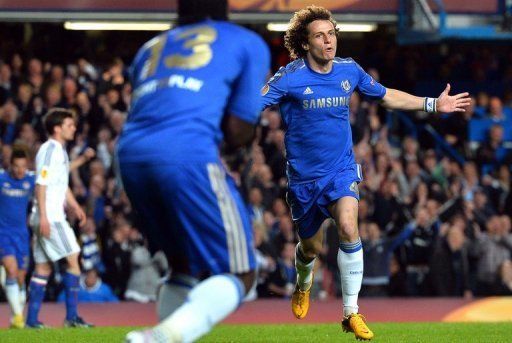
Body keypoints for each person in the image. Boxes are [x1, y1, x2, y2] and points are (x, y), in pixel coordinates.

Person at [261, 5, 471, 340]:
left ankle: (351, 313)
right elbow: (252, 105)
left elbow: (386, 97)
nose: (329, 41)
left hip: (341, 170)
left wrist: (432, 103)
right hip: (303, 181)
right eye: (319, 35)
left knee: (348, 225)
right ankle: (304, 280)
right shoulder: (289, 77)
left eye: (331, 34)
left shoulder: (349, 71)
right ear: (305, 44)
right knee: (311, 248)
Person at [119, 0, 270, 341]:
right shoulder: (247, 42)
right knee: (241, 272)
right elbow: (237, 129)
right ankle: (160, 337)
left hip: (130, 155)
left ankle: (165, 333)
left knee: (183, 265)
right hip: (186, 153)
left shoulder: (150, 46)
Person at [26, 108, 93, 328]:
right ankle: (72, 318)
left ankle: (31, 322)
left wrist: (74, 206)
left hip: (49, 215)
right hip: (51, 217)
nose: (73, 128)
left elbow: (60, 182)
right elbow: (41, 183)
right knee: (74, 256)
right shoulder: (49, 149)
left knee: (43, 268)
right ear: (57, 128)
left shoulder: (60, 151)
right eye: (69, 125)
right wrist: (44, 216)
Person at [0, 145, 35, 328]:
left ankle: (16, 318)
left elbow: (58, 175)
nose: (20, 170)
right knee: (11, 271)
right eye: (16, 166)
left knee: (21, 278)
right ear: (10, 166)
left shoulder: (30, 180)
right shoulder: (1, 180)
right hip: (3, 234)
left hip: (22, 235)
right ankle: (19, 317)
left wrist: (83, 159)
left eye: (23, 166)